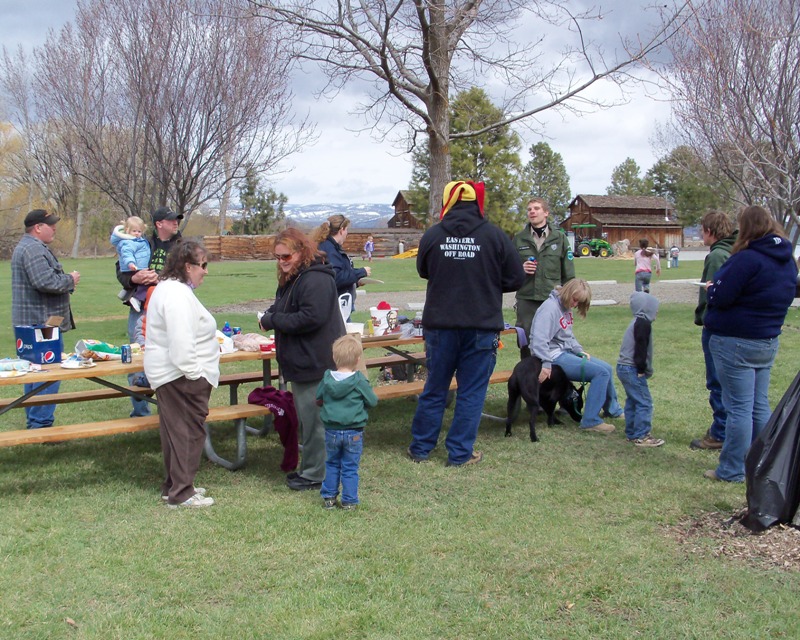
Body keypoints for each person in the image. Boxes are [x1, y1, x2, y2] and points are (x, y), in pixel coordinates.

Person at [407, 181, 525, 466]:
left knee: (435, 387)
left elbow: (423, 270)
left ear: (448, 201)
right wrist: (487, 281)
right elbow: (517, 277)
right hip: (481, 325)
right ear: (476, 203)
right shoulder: (494, 236)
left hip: (440, 325)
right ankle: (459, 454)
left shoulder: (433, 235)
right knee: (471, 392)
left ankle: (420, 449)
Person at [703, 205, 798, 483]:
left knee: (739, 408)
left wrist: (713, 289)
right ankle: (763, 463)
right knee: (758, 405)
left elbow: (722, 295)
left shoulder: (747, 259)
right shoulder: (786, 260)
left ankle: (732, 469)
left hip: (736, 341)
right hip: (766, 339)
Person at [259, 228, 345, 491]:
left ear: (301, 251)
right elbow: (286, 306)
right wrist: (271, 313)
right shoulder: (295, 277)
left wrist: (273, 320)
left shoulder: (315, 279)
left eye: (286, 256)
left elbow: (311, 317)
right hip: (303, 360)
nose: (282, 261)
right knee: (309, 421)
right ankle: (310, 470)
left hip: (316, 361)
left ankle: (315, 474)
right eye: (277, 257)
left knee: (316, 423)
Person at [144, 241, 219, 508]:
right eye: (203, 265)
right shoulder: (176, 294)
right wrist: (195, 374)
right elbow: (181, 339)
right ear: (188, 266)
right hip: (180, 376)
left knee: (175, 431)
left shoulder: (170, 290)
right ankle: (181, 493)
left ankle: (174, 486)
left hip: (173, 374)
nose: (206, 271)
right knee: (188, 432)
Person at [11, 209, 80, 429]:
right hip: (41, 324)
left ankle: (36, 422)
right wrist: (70, 279)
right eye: (50, 224)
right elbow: (44, 281)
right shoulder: (33, 248)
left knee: (34, 374)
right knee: (47, 374)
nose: (55, 228)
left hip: (32, 323)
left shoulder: (29, 246)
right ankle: (40, 425)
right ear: (38, 227)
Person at [531, 279, 624, 434]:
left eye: (578, 302)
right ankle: (590, 421)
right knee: (600, 373)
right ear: (568, 293)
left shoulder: (565, 307)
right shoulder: (549, 309)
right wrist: (546, 364)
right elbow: (538, 340)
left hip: (564, 352)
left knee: (606, 367)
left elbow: (568, 335)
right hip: (553, 356)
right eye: (575, 300)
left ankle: (612, 409)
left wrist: (578, 350)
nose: (575, 305)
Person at [116, 206, 183, 417]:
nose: (176, 223)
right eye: (171, 220)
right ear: (158, 224)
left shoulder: (183, 246)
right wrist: (134, 278)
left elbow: (190, 274)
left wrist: (161, 279)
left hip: (172, 308)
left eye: (177, 220)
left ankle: (172, 412)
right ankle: (141, 412)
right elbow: (121, 269)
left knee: (174, 356)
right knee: (137, 357)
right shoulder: (140, 242)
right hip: (141, 307)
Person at [690, 211, 736, 451]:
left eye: (702, 229)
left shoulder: (718, 255)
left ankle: (720, 432)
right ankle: (725, 427)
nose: (701, 234)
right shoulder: (735, 249)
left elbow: (714, 292)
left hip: (716, 326)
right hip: (730, 326)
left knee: (717, 381)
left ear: (710, 230)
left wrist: (706, 318)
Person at [317, 334, 378, 510]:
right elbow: (372, 401)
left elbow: (318, 398)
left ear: (334, 357)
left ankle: (329, 498)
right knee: (350, 466)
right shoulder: (359, 380)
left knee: (332, 463)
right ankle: (349, 500)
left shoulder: (327, 379)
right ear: (358, 359)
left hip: (331, 430)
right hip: (354, 432)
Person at [513, 197, 575, 358]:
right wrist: (521, 269)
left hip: (552, 298)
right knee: (526, 339)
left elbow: (568, 273)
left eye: (536, 208)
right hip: (527, 298)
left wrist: (569, 299)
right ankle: (529, 376)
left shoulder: (559, 238)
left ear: (546, 213)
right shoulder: (519, 239)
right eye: (529, 209)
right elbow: (507, 269)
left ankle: (552, 377)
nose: (532, 211)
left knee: (556, 338)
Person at [616, 292, 665, 447]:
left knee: (633, 400)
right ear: (647, 308)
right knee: (644, 402)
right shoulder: (643, 324)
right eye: (655, 308)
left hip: (623, 367)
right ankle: (642, 435)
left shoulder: (638, 322)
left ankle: (632, 433)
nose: (656, 311)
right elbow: (641, 348)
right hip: (632, 368)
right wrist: (641, 368)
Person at [312, 215, 371, 316]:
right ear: (341, 230)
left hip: (338, 305)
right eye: (347, 229)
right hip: (336, 308)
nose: (347, 233)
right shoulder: (330, 249)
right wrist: (361, 272)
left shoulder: (330, 247)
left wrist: (355, 283)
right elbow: (336, 278)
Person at [110, 216, 151, 312]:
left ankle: (125, 292)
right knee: (146, 283)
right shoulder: (128, 242)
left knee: (141, 283)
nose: (137, 233)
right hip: (134, 267)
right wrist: (131, 263)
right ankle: (137, 299)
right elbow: (127, 253)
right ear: (127, 230)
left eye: (139, 231)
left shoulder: (137, 241)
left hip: (138, 266)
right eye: (134, 231)